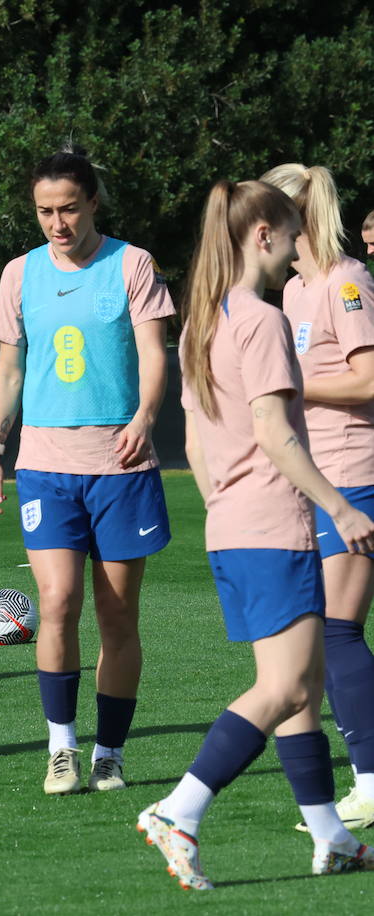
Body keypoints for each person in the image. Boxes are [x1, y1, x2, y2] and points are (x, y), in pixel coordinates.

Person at [140, 179, 374, 888]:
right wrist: (339, 508)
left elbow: (198, 445)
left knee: (302, 684)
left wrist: (227, 508)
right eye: (294, 233)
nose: (300, 247)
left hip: (232, 527)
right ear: (263, 235)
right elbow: (275, 432)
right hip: (275, 526)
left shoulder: (201, 323)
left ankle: (331, 835)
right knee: (282, 688)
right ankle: (178, 811)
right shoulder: (262, 319)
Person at [0, 146, 173, 795]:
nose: (57, 223)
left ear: (92, 202)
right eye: (44, 212)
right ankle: (61, 749)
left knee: (116, 618)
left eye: (67, 209)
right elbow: (10, 369)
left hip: (121, 466)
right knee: (58, 602)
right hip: (46, 467)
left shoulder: (132, 264)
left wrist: (146, 417)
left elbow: (154, 353)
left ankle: (109, 754)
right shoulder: (19, 274)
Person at [263, 163, 374, 831]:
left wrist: (293, 384)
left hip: (356, 476)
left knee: (337, 630)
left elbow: (368, 381)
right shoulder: (294, 289)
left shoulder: (346, 282)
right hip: (316, 479)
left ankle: (370, 782)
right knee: (318, 635)